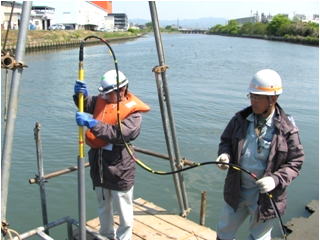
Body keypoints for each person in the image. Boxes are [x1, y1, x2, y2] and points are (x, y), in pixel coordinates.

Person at [215, 69, 304, 240]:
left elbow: (296, 162)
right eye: (251, 96)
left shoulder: (287, 129)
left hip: (265, 197)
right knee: (224, 231)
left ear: (273, 99)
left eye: (258, 97)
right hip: (236, 189)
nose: (253, 101)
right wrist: (225, 155)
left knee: (260, 237)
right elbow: (225, 140)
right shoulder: (239, 119)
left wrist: (275, 179)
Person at [74, 70, 150, 240]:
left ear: (121, 90)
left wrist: (92, 123)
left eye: (108, 93)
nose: (105, 96)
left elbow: (118, 134)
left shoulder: (134, 115)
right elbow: (85, 105)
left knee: (123, 210)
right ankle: (106, 236)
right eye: (104, 93)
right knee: (103, 206)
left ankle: (124, 238)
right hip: (99, 167)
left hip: (120, 168)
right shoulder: (103, 100)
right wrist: (80, 95)